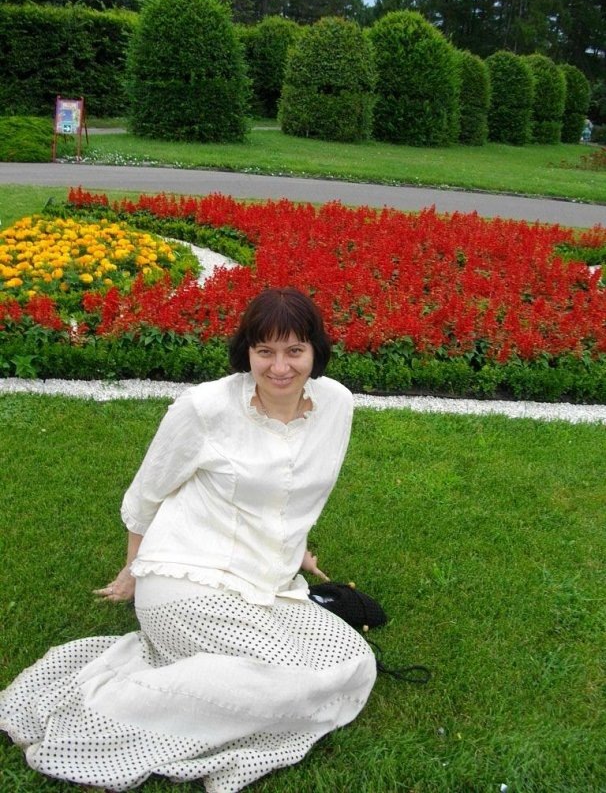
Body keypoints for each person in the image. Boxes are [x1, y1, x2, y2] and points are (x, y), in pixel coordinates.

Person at [0, 287, 376, 792]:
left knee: (353, 661)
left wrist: (296, 551)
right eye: (265, 351)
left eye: (294, 351)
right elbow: (146, 495)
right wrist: (132, 570)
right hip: (185, 579)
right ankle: (101, 709)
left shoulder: (336, 404)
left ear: (316, 351)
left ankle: (179, 676)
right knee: (292, 677)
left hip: (265, 584)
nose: (280, 367)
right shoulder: (205, 407)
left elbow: (295, 492)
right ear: (246, 352)